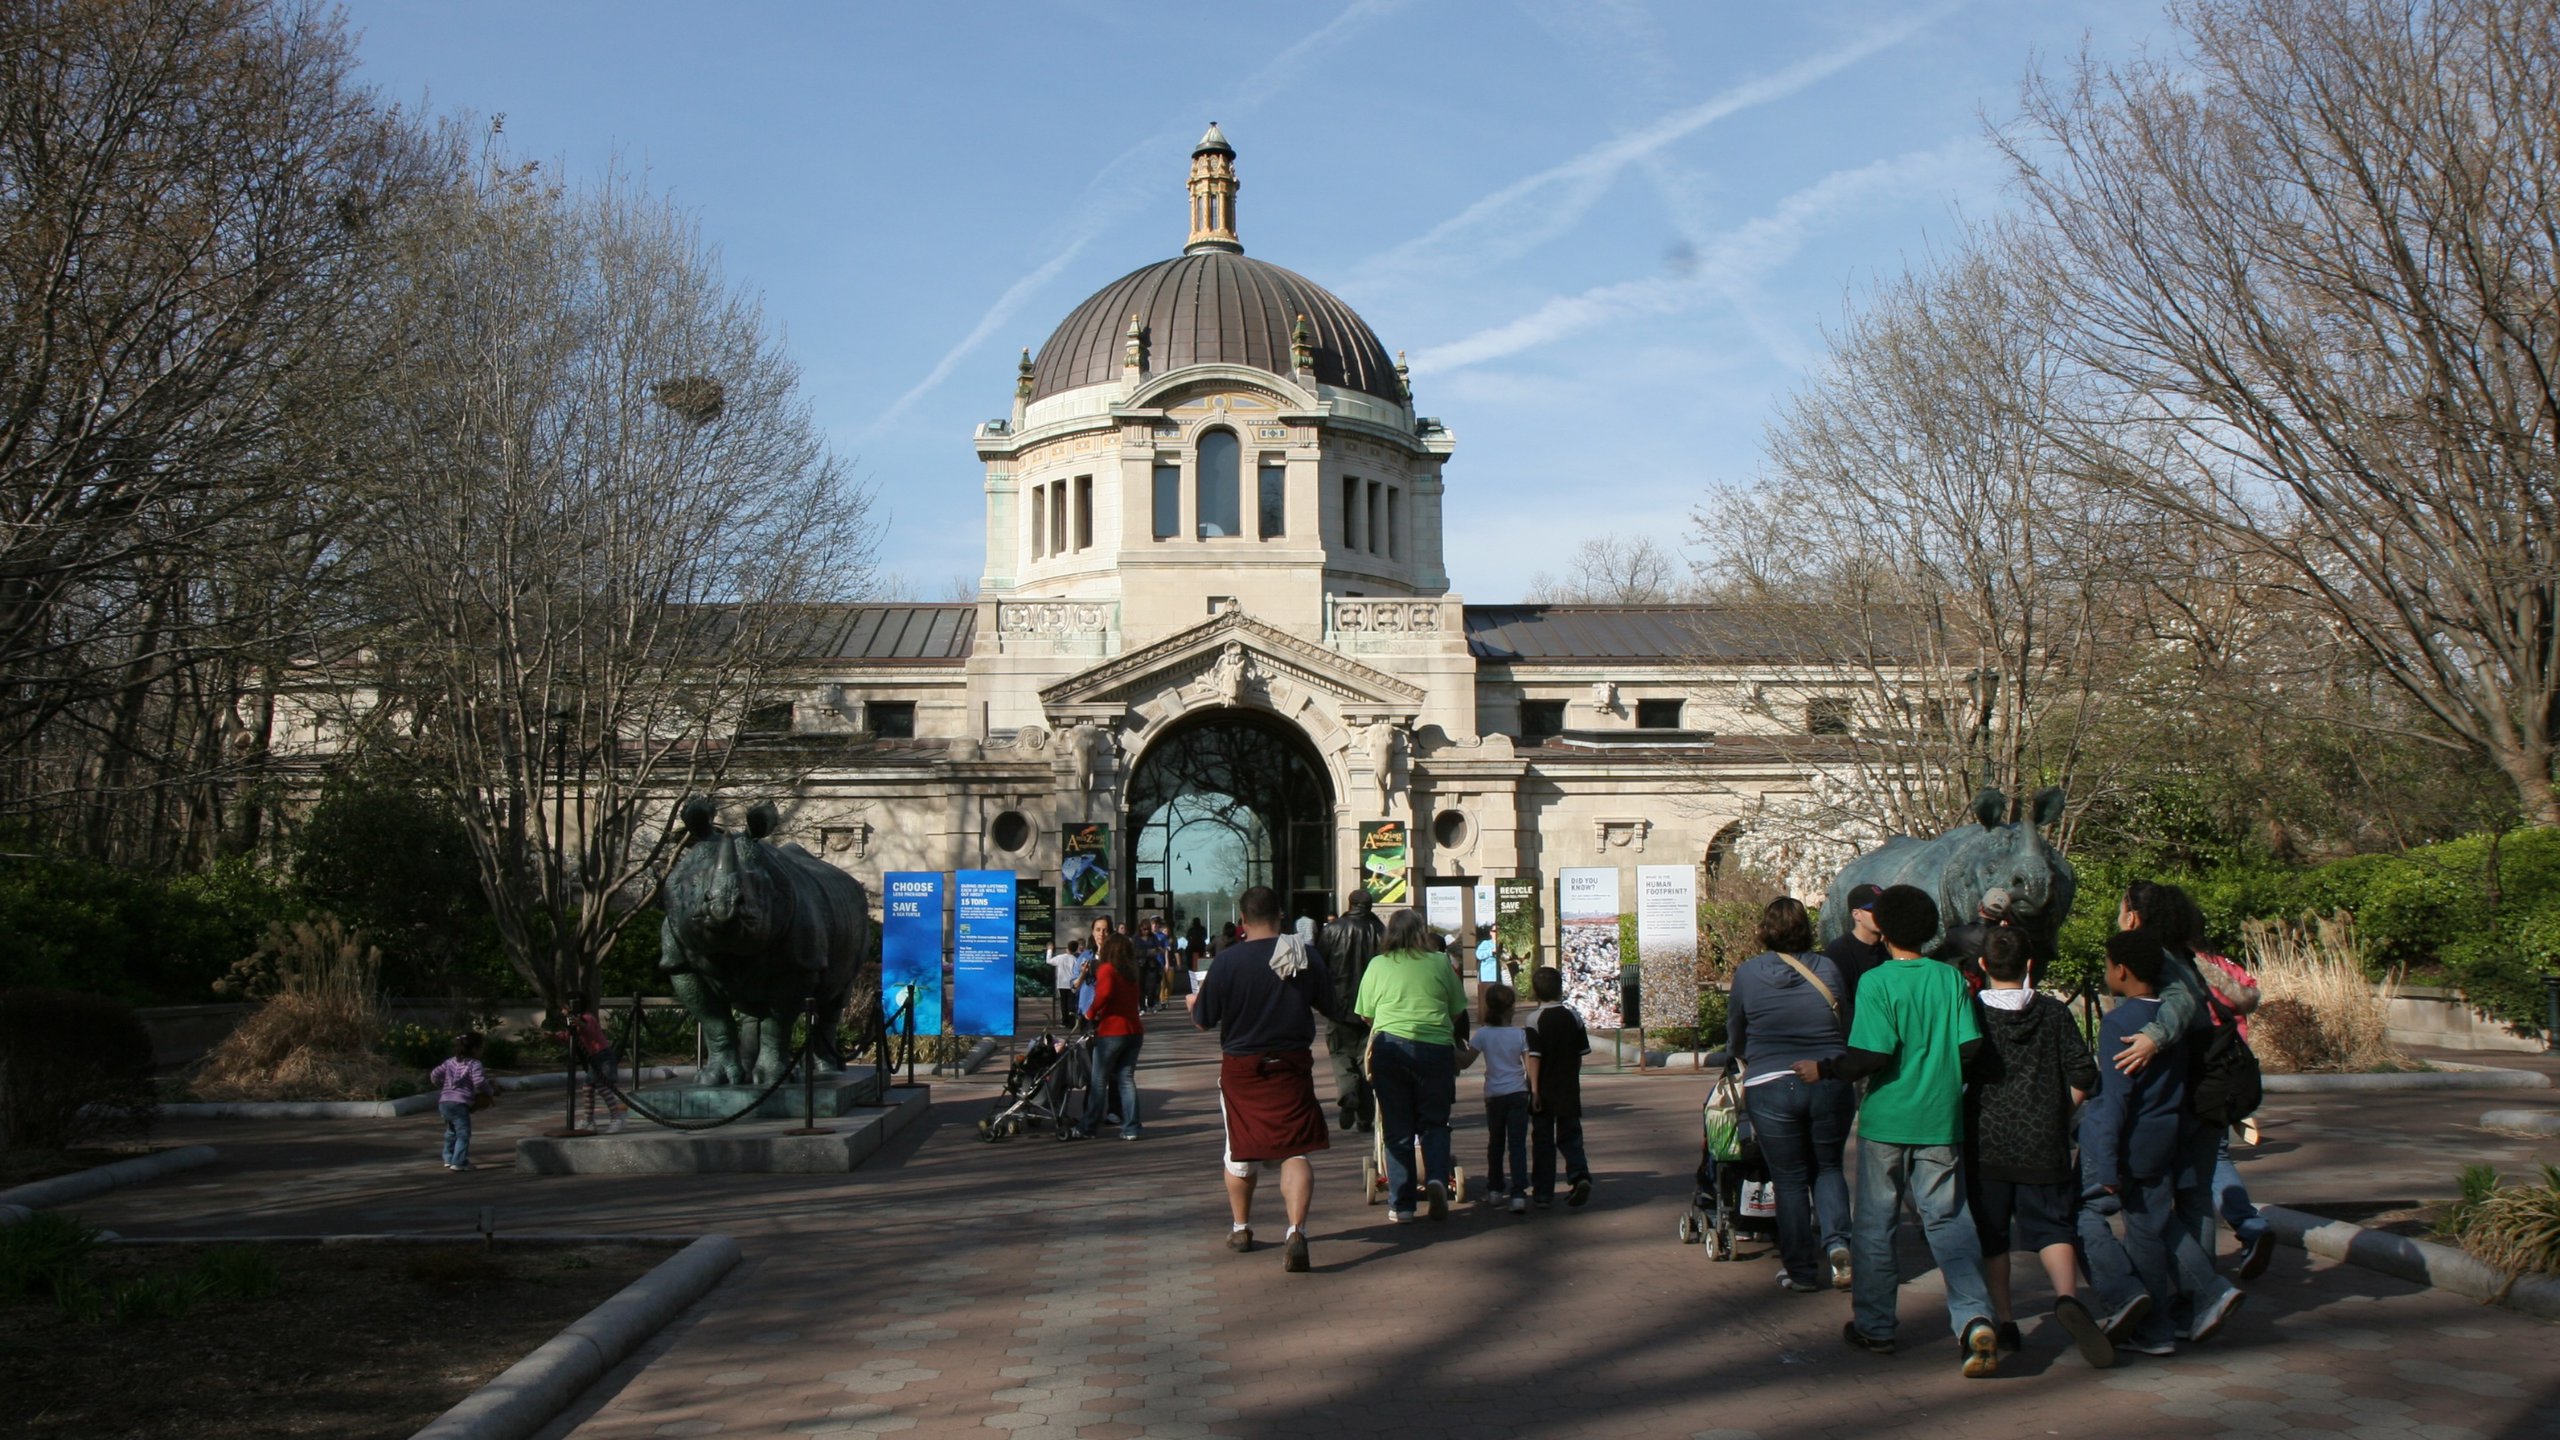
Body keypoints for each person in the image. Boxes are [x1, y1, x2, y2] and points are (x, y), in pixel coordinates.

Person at [1795, 883, 1999, 1377]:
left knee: (1875, 1226)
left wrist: (1826, 1069)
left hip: (1888, 1119)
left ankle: (1876, 1325)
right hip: (1941, 1117)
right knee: (1949, 1222)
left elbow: (1873, 1055)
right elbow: (1971, 1047)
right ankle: (1974, 1316)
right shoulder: (1951, 980)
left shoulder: (1878, 982)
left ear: (1882, 927)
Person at [2084, 930, 2245, 1355]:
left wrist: (2105, 1162)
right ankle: (2207, 1292)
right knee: (2159, 1224)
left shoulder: (2119, 1023)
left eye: (2107, 966)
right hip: (2168, 1133)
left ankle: (2161, 1325)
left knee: (2144, 1234)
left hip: (2136, 1143)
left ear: (2121, 970)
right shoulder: (2173, 1024)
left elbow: (2116, 1099)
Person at [1965, 928, 2110, 1365]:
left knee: (1993, 1237)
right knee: (2053, 1227)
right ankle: (2067, 1297)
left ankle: (2006, 1321)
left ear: (1983, 967)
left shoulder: (1971, 1014)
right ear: (2030, 965)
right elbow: (2085, 1072)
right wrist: (2059, 1112)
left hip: (1985, 1140)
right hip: (2043, 1141)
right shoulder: (2052, 1013)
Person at [1189, 884, 1339, 1273]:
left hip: (1243, 1069)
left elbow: (1204, 1020)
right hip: (1290, 1065)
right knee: (1296, 1149)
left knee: (1239, 1149)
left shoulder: (1226, 961)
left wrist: (1192, 1004)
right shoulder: (1303, 956)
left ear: (1242, 921)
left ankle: (1241, 1228)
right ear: (1281, 915)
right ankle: (1297, 1231)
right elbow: (1333, 1004)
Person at [1726, 896, 1854, 1293]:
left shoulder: (1748, 973)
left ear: (1765, 930)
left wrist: (1743, 1058)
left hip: (1770, 1082)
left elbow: (1736, 1030)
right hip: (1828, 1078)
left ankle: (1800, 1269)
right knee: (1829, 1167)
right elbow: (1845, 1021)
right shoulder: (1828, 968)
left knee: (1790, 1179)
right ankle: (1838, 1245)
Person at [1355, 907, 1470, 1223]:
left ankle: (1402, 1203)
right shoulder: (1438, 962)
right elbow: (1458, 1007)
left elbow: (1365, 1012)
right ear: (1421, 933)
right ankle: (1435, 1178)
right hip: (1435, 1048)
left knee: (1397, 1128)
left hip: (1391, 1048)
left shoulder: (1378, 965)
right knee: (1435, 1121)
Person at [2193, 939, 2273, 1277]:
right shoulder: (2227, 966)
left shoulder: (2183, 968)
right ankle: (2250, 1224)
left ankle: (2194, 1268)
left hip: (2198, 1075)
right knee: (2219, 1155)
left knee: (2188, 1172)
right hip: (2231, 1072)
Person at [1521, 966, 1593, 1209]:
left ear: (1534, 992)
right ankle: (1579, 1175)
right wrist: (1572, 1075)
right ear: (1561, 988)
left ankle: (1543, 1192)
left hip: (1544, 1089)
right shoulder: (1573, 1016)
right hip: (1569, 1086)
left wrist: (1534, 1089)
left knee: (1542, 1140)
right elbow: (1581, 1053)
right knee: (1571, 1136)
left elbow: (1535, 1056)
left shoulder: (1534, 1020)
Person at [1319, 891, 1385, 1131]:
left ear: (1350, 904)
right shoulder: (1380, 932)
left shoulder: (1332, 930)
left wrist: (1321, 999)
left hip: (1339, 1005)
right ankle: (1364, 1117)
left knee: (1339, 1053)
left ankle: (1348, 1091)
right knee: (1366, 1059)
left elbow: (1320, 966)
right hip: (1372, 1007)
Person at [1468, 982, 1531, 1214]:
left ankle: (1495, 1189)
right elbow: (1529, 1065)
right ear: (1511, 1008)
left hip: (1494, 1095)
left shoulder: (1483, 1034)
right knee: (1517, 1145)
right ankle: (1518, 1193)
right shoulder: (1519, 1034)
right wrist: (1532, 1090)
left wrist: (1450, 1048)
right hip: (1518, 1092)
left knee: (1495, 1143)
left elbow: (1466, 1060)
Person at [1077, 933, 1145, 1140]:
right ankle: (1132, 1127)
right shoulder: (1131, 973)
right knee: (1126, 1079)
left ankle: (1088, 1127)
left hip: (1112, 1031)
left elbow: (1104, 995)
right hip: (1134, 1030)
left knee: (1098, 1080)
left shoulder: (1107, 969)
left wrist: (1090, 1012)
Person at [1821, 883, 1888, 1037]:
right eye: (1872, 909)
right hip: (1857, 1039)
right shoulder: (1838, 953)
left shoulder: (1890, 948)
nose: (1881, 913)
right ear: (1856, 914)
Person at [429, 1033, 496, 1171]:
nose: (482, 1051)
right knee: (463, 1133)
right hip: (460, 1103)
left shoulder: (449, 1062)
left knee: (451, 1131)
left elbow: (434, 1074)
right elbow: (479, 1081)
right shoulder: (475, 1064)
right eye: (481, 1048)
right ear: (474, 1049)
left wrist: (441, 1085)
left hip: (444, 1102)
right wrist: (490, 1091)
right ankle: (460, 1161)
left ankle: (448, 1158)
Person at [556, 1008, 629, 1133]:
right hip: (594, 1058)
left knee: (602, 1086)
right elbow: (570, 1037)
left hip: (603, 1056)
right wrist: (554, 1036)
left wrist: (577, 1022)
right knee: (588, 1088)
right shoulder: (572, 1021)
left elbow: (590, 1030)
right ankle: (589, 1121)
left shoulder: (588, 1017)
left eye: (565, 1007)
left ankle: (617, 1117)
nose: (562, 1010)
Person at [1049, 934, 1082, 1028]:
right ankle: (1071, 1022)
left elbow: (1049, 961)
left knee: (1063, 1003)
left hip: (1061, 983)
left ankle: (1064, 1021)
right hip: (1071, 984)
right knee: (1071, 1004)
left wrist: (1049, 950)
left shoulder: (1060, 957)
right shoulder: (1075, 959)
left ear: (1067, 948)